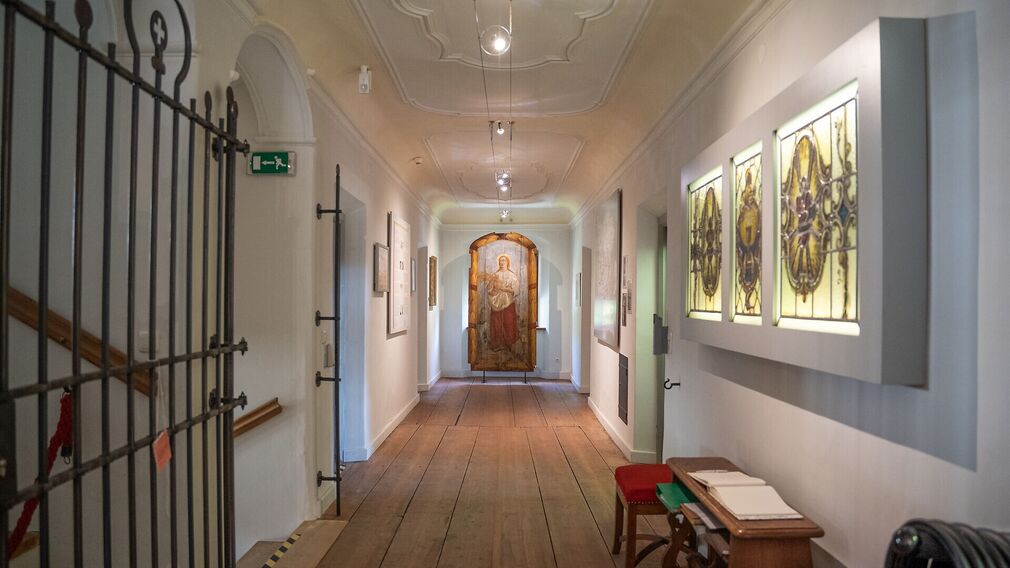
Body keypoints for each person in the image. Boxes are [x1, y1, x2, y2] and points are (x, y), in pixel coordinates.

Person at [487, 254, 519, 350]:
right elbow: (489, 289)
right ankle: (497, 344)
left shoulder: (512, 275)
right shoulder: (495, 275)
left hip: (508, 302)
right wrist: (494, 289)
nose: (502, 262)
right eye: (500, 260)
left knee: (508, 322)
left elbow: (516, 290)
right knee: (496, 323)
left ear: (508, 262)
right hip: (496, 302)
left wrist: (505, 289)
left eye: (504, 260)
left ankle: (509, 344)